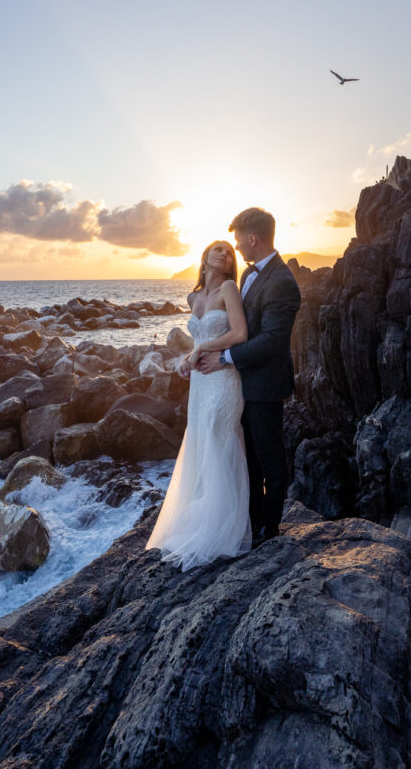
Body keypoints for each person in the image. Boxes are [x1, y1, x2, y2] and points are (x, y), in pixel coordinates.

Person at [198, 207, 301, 547]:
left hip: (265, 385)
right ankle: (250, 520)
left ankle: (268, 530)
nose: (237, 247)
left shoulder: (282, 281)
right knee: (250, 460)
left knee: (271, 462)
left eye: (239, 240)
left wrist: (225, 357)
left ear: (252, 238)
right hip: (240, 383)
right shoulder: (247, 276)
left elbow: (272, 341)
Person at [146, 240, 252, 570]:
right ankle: (202, 518)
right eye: (217, 249)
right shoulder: (193, 297)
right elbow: (195, 344)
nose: (224, 254)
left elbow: (240, 333)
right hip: (201, 382)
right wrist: (185, 358)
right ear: (204, 256)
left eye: (229, 252)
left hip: (224, 380)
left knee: (219, 441)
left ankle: (222, 528)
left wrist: (202, 347)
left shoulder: (230, 289)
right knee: (201, 446)